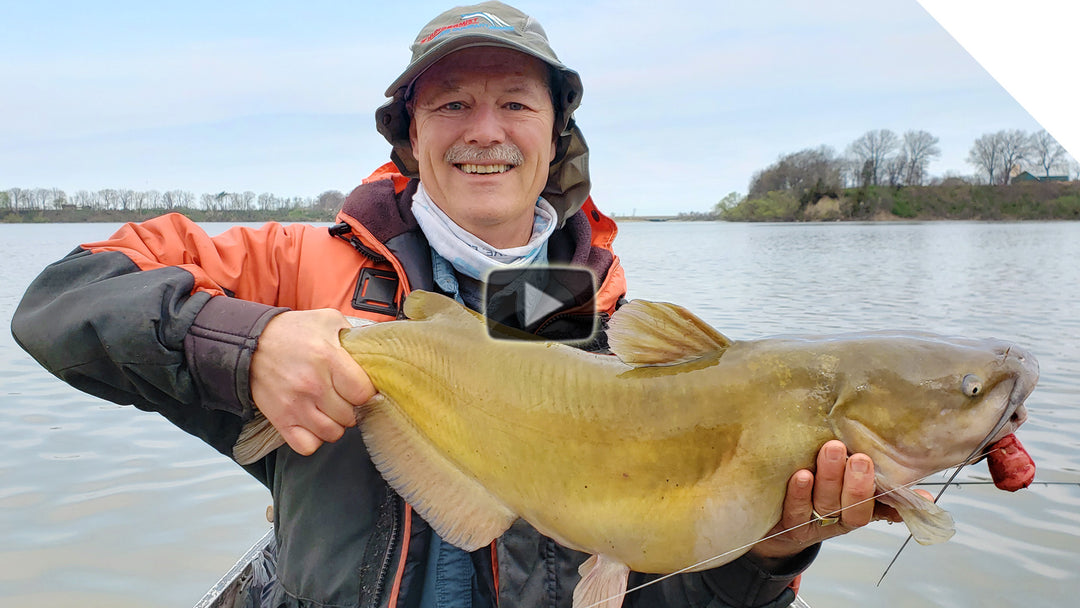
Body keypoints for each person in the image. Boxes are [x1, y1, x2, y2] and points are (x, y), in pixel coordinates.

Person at [12, 3, 895, 607]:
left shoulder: (615, 333)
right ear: (410, 137)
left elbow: (671, 593)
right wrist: (255, 341)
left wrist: (773, 555)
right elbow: (62, 300)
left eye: (516, 102)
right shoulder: (287, 267)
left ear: (556, 142)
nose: (485, 130)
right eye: (451, 104)